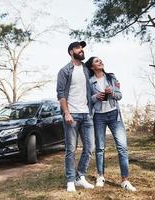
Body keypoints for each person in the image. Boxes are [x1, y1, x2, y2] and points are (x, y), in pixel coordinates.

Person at [85, 56, 136, 192]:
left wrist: (112, 92)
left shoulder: (111, 77)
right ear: (92, 67)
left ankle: (125, 180)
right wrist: (96, 97)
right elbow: (87, 100)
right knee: (100, 148)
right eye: (96, 61)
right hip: (98, 117)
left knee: (122, 147)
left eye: (100, 60)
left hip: (114, 115)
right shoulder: (89, 82)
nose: (100, 62)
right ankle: (100, 176)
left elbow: (119, 96)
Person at [56, 41, 94, 192]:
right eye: (78, 47)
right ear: (71, 51)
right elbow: (61, 94)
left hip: (86, 114)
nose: (81, 50)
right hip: (72, 114)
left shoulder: (86, 69)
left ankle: (80, 177)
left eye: (82, 48)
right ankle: (70, 180)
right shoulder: (65, 70)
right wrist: (66, 113)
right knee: (71, 149)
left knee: (89, 148)